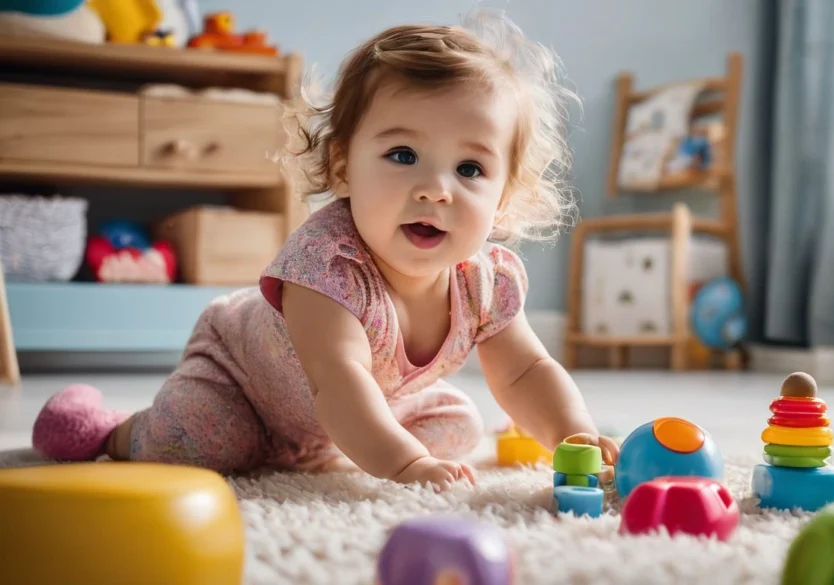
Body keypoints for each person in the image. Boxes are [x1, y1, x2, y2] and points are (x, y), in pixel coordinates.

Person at [31, 9, 619, 490]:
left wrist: (575, 435)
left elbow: (525, 371)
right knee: (197, 442)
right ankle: (109, 430)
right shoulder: (327, 267)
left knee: (458, 427)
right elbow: (339, 381)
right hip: (242, 381)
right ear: (342, 166)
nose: (435, 188)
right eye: (403, 155)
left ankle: (328, 446)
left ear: (504, 197)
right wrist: (407, 466)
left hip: (340, 415)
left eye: (470, 168)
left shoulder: (483, 281)